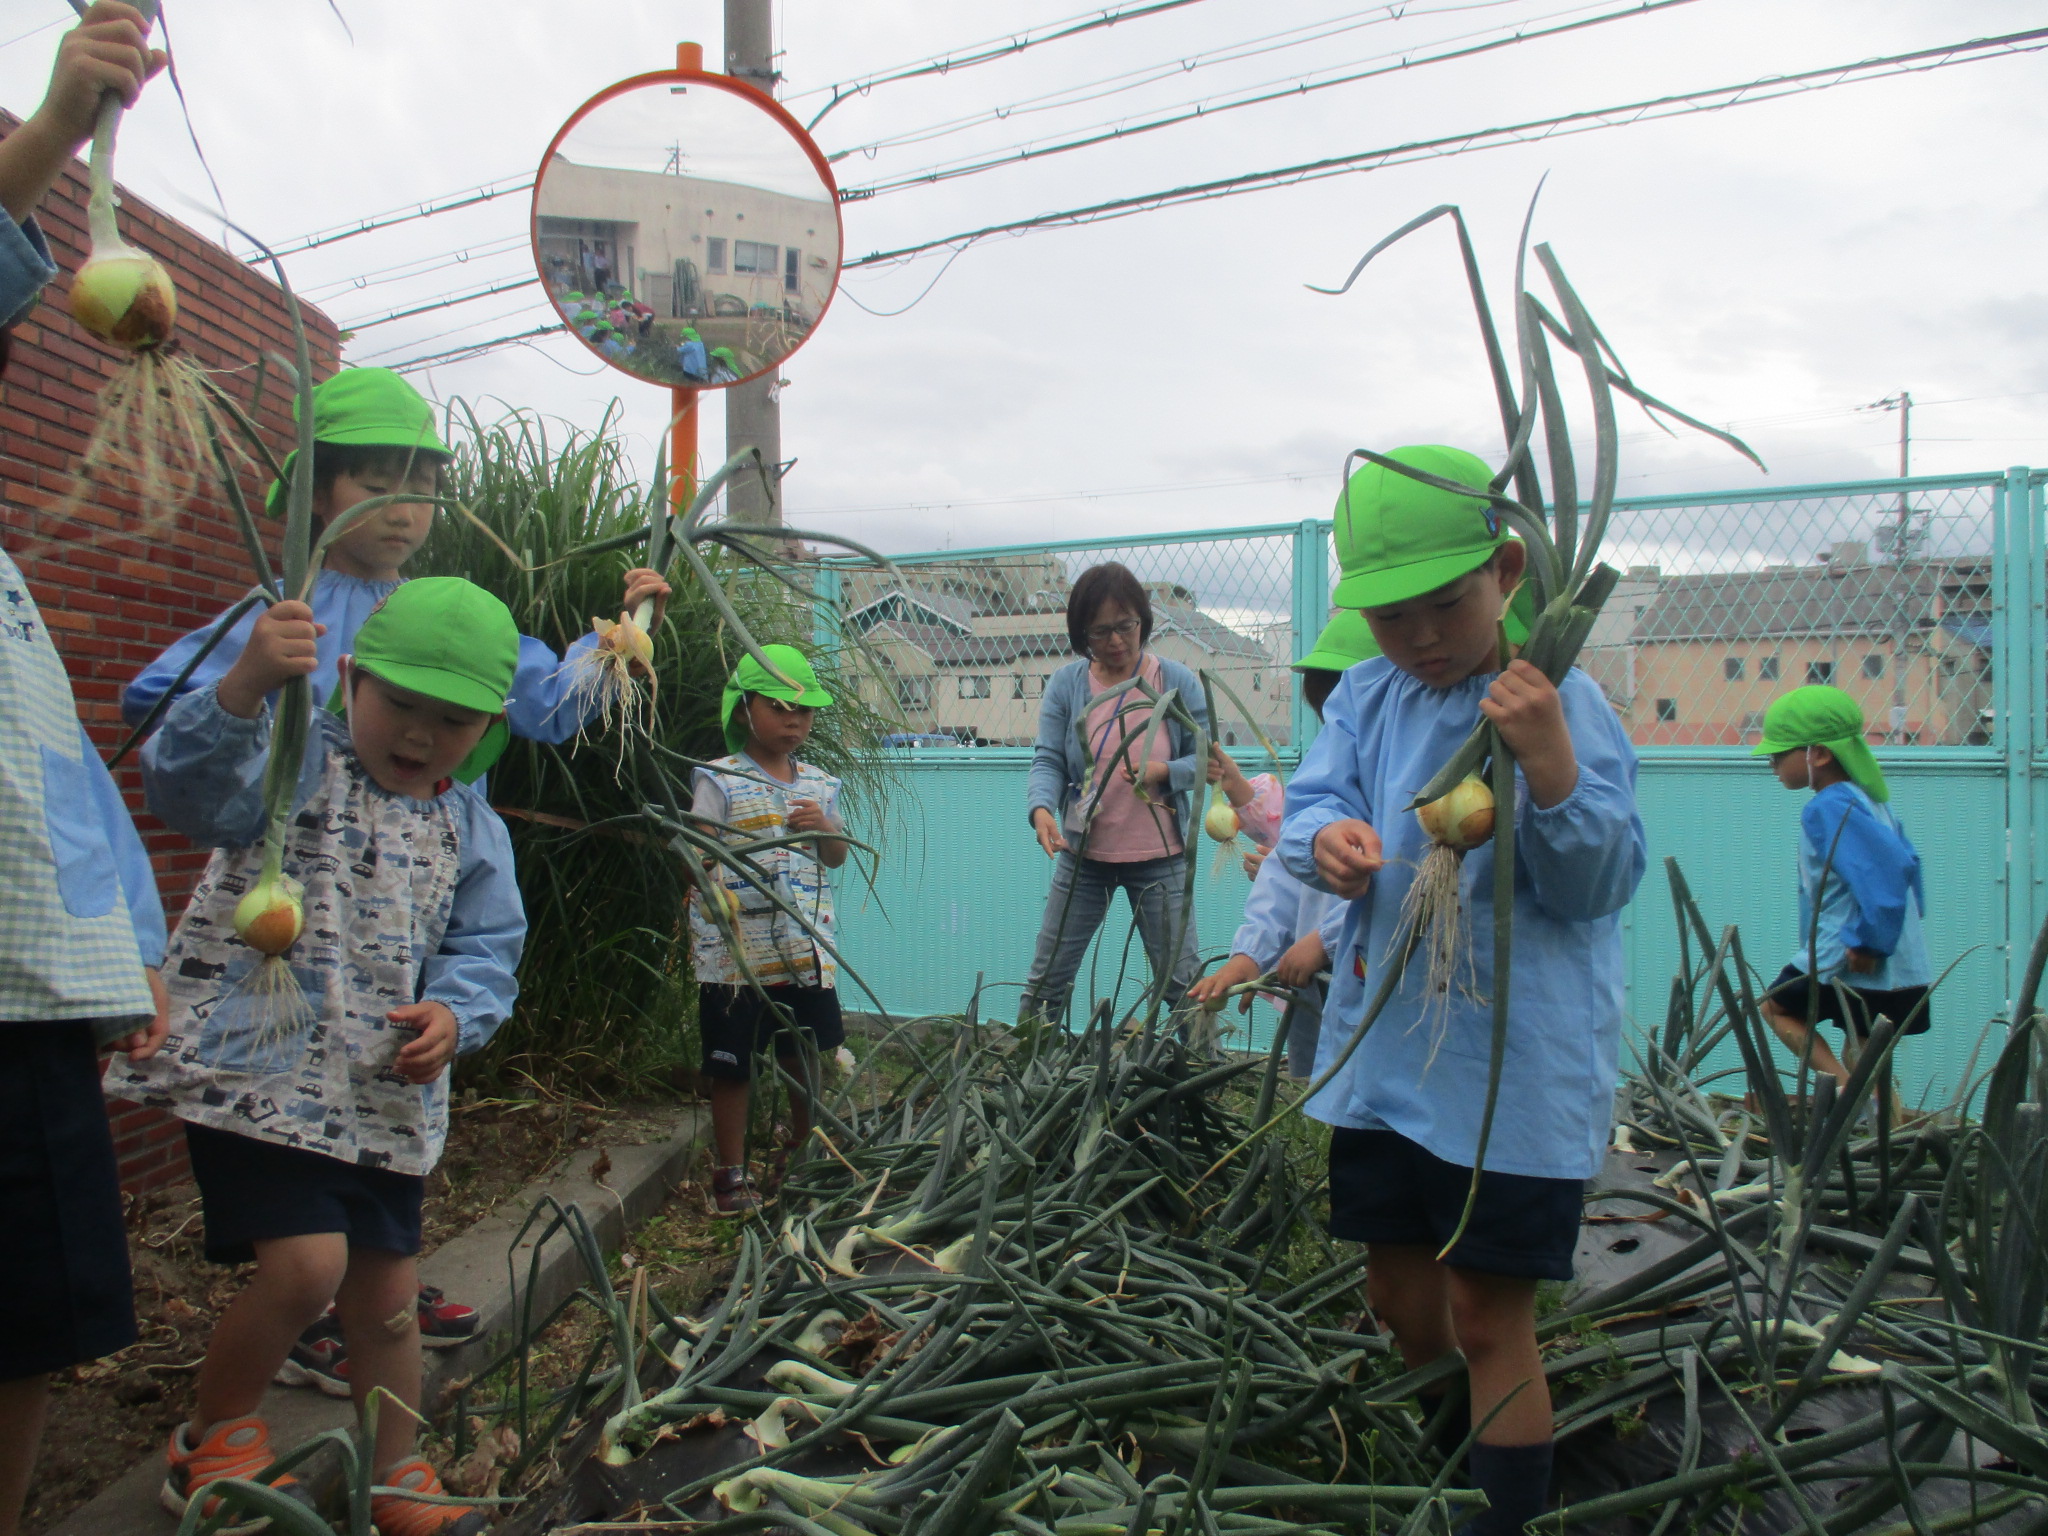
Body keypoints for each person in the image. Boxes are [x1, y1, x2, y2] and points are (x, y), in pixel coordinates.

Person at [107, 578, 525, 1535]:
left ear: (490, 725)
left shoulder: (470, 826)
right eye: (399, 703)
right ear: (348, 677)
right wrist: (247, 686)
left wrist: (456, 1019)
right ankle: (211, 1438)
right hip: (262, 1074)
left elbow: (485, 948)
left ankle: (397, 1471)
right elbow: (194, 795)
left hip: (382, 1091)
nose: (419, 734)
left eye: (451, 720)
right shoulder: (293, 760)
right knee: (305, 1270)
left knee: (383, 1304)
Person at [1278, 446, 1645, 1536]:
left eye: (1444, 604)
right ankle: (1453, 1462)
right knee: (1400, 1302)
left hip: (1510, 1071)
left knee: (1489, 1315)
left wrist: (1546, 765)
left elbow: (1595, 885)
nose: (1422, 637)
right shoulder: (1366, 697)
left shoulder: (1561, 700)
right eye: (1391, 618)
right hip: (1387, 1054)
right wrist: (1326, 847)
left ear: (1508, 567)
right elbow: (1310, 808)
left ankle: (1501, 1516)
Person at [0, 13, 166, 1536]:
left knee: (34, 1314)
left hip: (33, 997)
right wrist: (57, 133)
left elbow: (67, 786)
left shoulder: (13, 603)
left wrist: (127, 953)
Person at [122, 367, 672, 750]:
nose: (402, 513)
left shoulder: (441, 614)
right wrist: (245, 682)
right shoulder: (282, 614)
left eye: (420, 491)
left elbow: (545, 700)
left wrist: (624, 640)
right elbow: (150, 702)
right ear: (317, 493)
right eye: (376, 487)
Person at [1021, 562, 1239, 1026]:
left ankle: (1200, 1075)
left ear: (1143, 621)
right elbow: (1049, 760)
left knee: (1182, 983)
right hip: (1083, 858)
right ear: (1082, 635)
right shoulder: (1067, 685)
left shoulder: (1175, 681)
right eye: (1101, 632)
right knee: (1048, 979)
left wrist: (1163, 771)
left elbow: (1209, 760)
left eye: (1126, 626)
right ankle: (1028, 1072)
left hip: (1161, 856)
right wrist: (1040, 807)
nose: (1117, 641)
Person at [687, 644, 849, 1216]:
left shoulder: (822, 785)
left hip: (805, 951)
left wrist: (825, 826)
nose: (793, 720)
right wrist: (708, 877)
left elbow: (835, 858)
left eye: (804, 711)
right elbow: (697, 851)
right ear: (743, 709)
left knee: (802, 1052)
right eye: (779, 707)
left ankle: (804, 1156)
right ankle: (731, 1174)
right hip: (735, 955)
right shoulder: (720, 779)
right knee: (732, 1062)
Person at [1185, 610, 1376, 1076]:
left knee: (1368, 1077)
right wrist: (1248, 956)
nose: (1337, 726)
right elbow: (1283, 877)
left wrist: (1327, 941)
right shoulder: (1328, 775)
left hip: (1376, 976)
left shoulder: (1403, 785)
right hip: (1314, 978)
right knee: (1326, 1085)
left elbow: (1403, 883)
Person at [1753, 685, 1930, 1090]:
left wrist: (1869, 941)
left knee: (1776, 1009)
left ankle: (1844, 1092)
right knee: (1866, 1049)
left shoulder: (1828, 805)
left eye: (1780, 754)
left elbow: (1888, 870)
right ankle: (1879, 1128)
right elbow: (1909, 865)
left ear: (1819, 753)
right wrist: (1892, 935)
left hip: (1845, 951)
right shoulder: (1870, 799)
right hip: (1894, 957)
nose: (1772, 765)